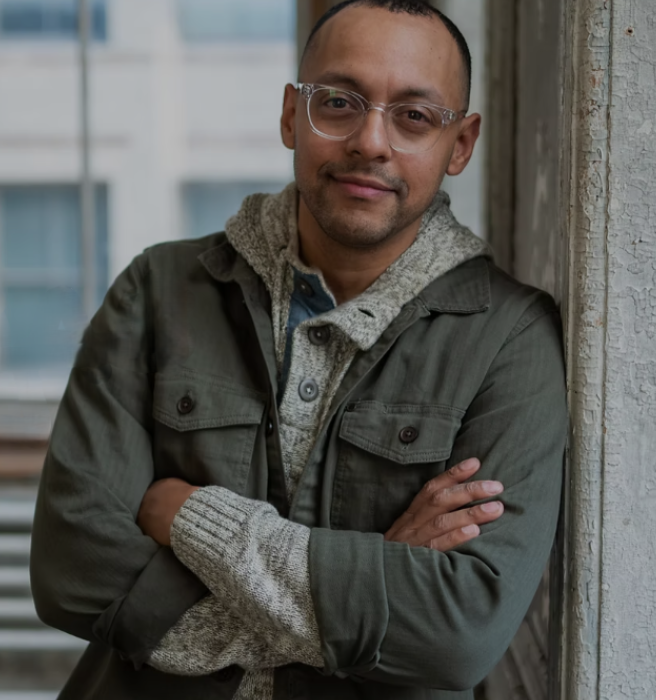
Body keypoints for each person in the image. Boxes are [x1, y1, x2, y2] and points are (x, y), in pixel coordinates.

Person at [29, 1, 567, 698]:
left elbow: (458, 632)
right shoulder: (158, 291)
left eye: (413, 116)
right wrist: (370, 586)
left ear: (460, 144)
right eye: (338, 102)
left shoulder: (511, 337)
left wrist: (194, 521)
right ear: (291, 115)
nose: (371, 141)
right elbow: (72, 569)